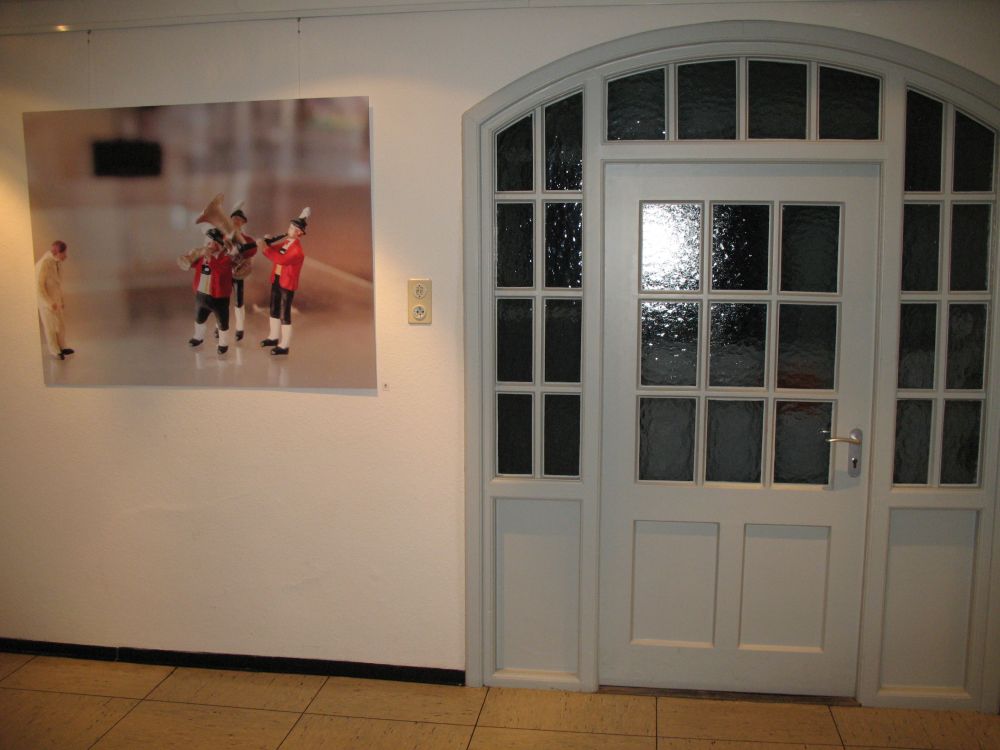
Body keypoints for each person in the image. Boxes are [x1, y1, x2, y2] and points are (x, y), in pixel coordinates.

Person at [177, 228, 236, 355]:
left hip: (219, 297)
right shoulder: (202, 257)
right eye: (208, 242)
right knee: (199, 319)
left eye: (213, 243)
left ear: (220, 245)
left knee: (222, 322)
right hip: (202, 295)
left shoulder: (226, 259)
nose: (209, 245)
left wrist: (209, 257)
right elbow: (190, 264)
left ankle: (223, 343)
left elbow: (220, 271)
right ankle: (198, 337)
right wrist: (191, 255)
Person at [259, 207, 309, 356]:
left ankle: (284, 345)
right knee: (274, 308)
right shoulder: (287, 243)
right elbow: (275, 250)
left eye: (293, 228)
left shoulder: (297, 251)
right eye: (290, 226)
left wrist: (264, 248)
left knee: (284, 313)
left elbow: (280, 259)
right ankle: (273, 337)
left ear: (299, 233)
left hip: (287, 284)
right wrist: (268, 243)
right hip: (277, 279)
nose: (289, 229)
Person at [35, 240, 74, 360]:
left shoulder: (56, 263)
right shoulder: (45, 263)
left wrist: (61, 300)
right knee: (50, 327)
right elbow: (39, 286)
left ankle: (62, 346)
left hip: (56, 301)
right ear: (57, 252)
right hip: (47, 302)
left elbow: (57, 284)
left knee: (60, 326)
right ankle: (54, 351)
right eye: (64, 253)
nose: (65, 256)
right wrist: (48, 303)